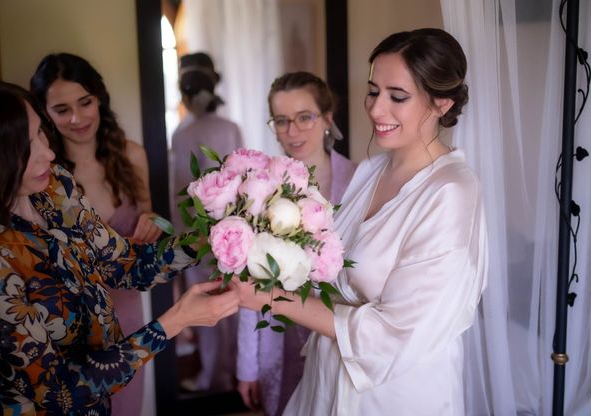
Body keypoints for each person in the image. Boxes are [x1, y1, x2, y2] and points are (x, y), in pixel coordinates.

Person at [0, 75, 239, 415]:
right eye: (26, 147)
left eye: (40, 132)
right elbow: (58, 391)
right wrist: (173, 322)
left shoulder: (54, 185)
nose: (49, 151)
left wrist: (208, 241)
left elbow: (120, 263)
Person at [235, 28, 488, 415]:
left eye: (397, 96)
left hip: (391, 392)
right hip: (327, 375)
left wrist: (274, 300)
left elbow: (396, 332)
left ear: (441, 103)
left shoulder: (450, 193)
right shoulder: (369, 172)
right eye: (373, 91)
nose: (375, 109)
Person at [29, 53, 161, 414]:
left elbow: (154, 221)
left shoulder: (132, 156)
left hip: (129, 314)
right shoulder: (42, 176)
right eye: (62, 109)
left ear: (99, 97)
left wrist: (152, 220)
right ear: (45, 114)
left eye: (85, 102)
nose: (77, 118)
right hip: (72, 326)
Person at [236, 72, 357, 416]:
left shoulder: (359, 181)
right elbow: (247, 279)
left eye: (305, 117)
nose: (292, 131)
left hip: (338, 336)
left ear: (327, 118)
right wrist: (247, 364)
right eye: (282, 120)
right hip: (278, 334)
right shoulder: (259, 190)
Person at [170, 52, 243, 391]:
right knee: (235, 304)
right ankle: (231, 373)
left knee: (207, 307)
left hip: (196, 231)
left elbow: (181, 189)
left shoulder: (183, 133)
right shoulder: (231, 128)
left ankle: (214, 376)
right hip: (232, 230)